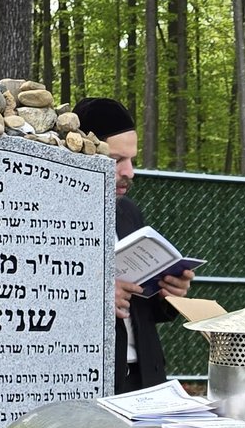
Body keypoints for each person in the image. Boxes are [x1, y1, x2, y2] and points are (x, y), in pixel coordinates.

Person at [74, 97, 194, 390]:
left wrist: (168, 295)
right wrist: (95, 297)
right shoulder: (49, 217)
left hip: (146, 379)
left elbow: (138, 308)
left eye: (132, 160)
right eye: (117, 160)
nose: (130, 172)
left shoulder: (128, 211)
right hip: (90, 382)